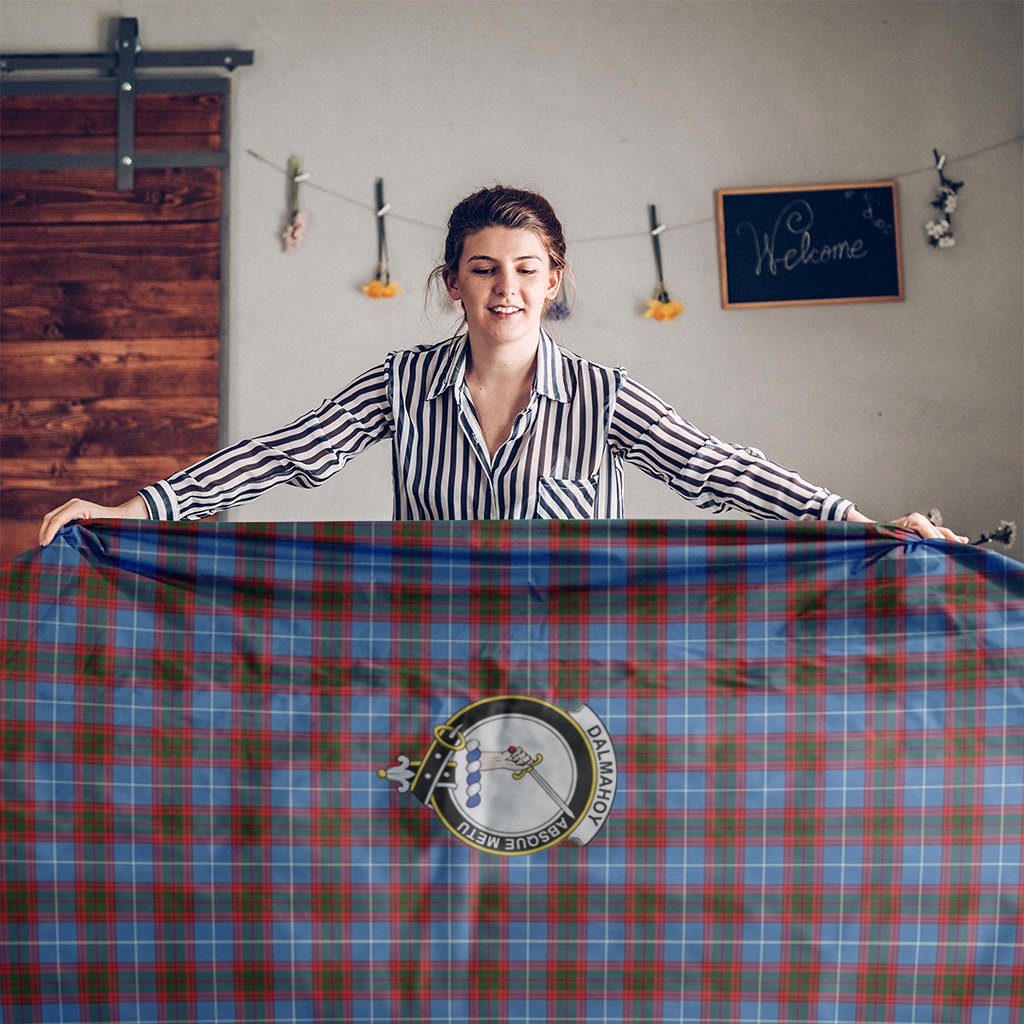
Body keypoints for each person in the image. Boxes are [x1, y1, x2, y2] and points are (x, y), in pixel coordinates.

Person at [39, 186, 967, 546]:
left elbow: (718, 467)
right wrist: (135, 511)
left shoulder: (604, 397)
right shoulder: (401, 382)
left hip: (577, 663)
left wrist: (858, 522)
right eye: (484, 269)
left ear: (555, 280)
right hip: (427, 655)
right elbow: (284, 456)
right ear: (453, 283)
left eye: (526, 271)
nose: (506, 289)